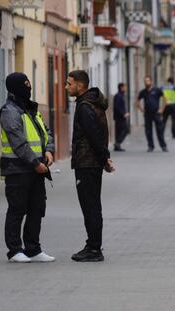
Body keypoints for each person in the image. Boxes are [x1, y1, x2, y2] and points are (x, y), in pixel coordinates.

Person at [0, 72, 55, 263]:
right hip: (17, 169)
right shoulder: (9, 111)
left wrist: (49, 150)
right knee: (17, 209)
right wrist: (35, 163)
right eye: (25, 86)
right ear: (15, 89)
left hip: (37, 168)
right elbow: (18, 143)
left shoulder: (31, 109)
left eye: (29, 85)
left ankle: (33, 248)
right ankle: (15, 250)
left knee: (36, 208)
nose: (28, 89)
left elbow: (45, 132)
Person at [66, 70, 115, 262]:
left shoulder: (85, 107)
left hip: (86, 162)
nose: (66, 87)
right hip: (92, 161)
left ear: (80, 85)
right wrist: (104, 158)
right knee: (93, 205)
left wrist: (105, 158)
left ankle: (94, 248)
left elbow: (94, 135)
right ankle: (93, 245)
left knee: (90, 206)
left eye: (69, 84)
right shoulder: (93, 103)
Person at [137, 76, 168, 152]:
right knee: (148, 131)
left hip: (156, 113)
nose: (146, 82)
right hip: (147, 114)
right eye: (145, 81)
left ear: (151, 82)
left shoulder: (157, 90)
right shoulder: (143, 92)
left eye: (147, 81)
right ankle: (150, 146)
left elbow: (165, 99)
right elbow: (137, 101)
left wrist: (161, 109)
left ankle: (163, 146)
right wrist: (141, 109)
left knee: (159, 130)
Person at [113, 83, 129, 151]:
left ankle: (117, 146)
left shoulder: (121, 95)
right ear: (121, 88)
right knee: (125, 130)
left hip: (120, 117)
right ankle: (117, 143)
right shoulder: (118, 96)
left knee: (119, 131)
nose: (126, 88)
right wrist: (123, 114)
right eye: (125, 87)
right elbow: (117, 107)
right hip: (120, 117)